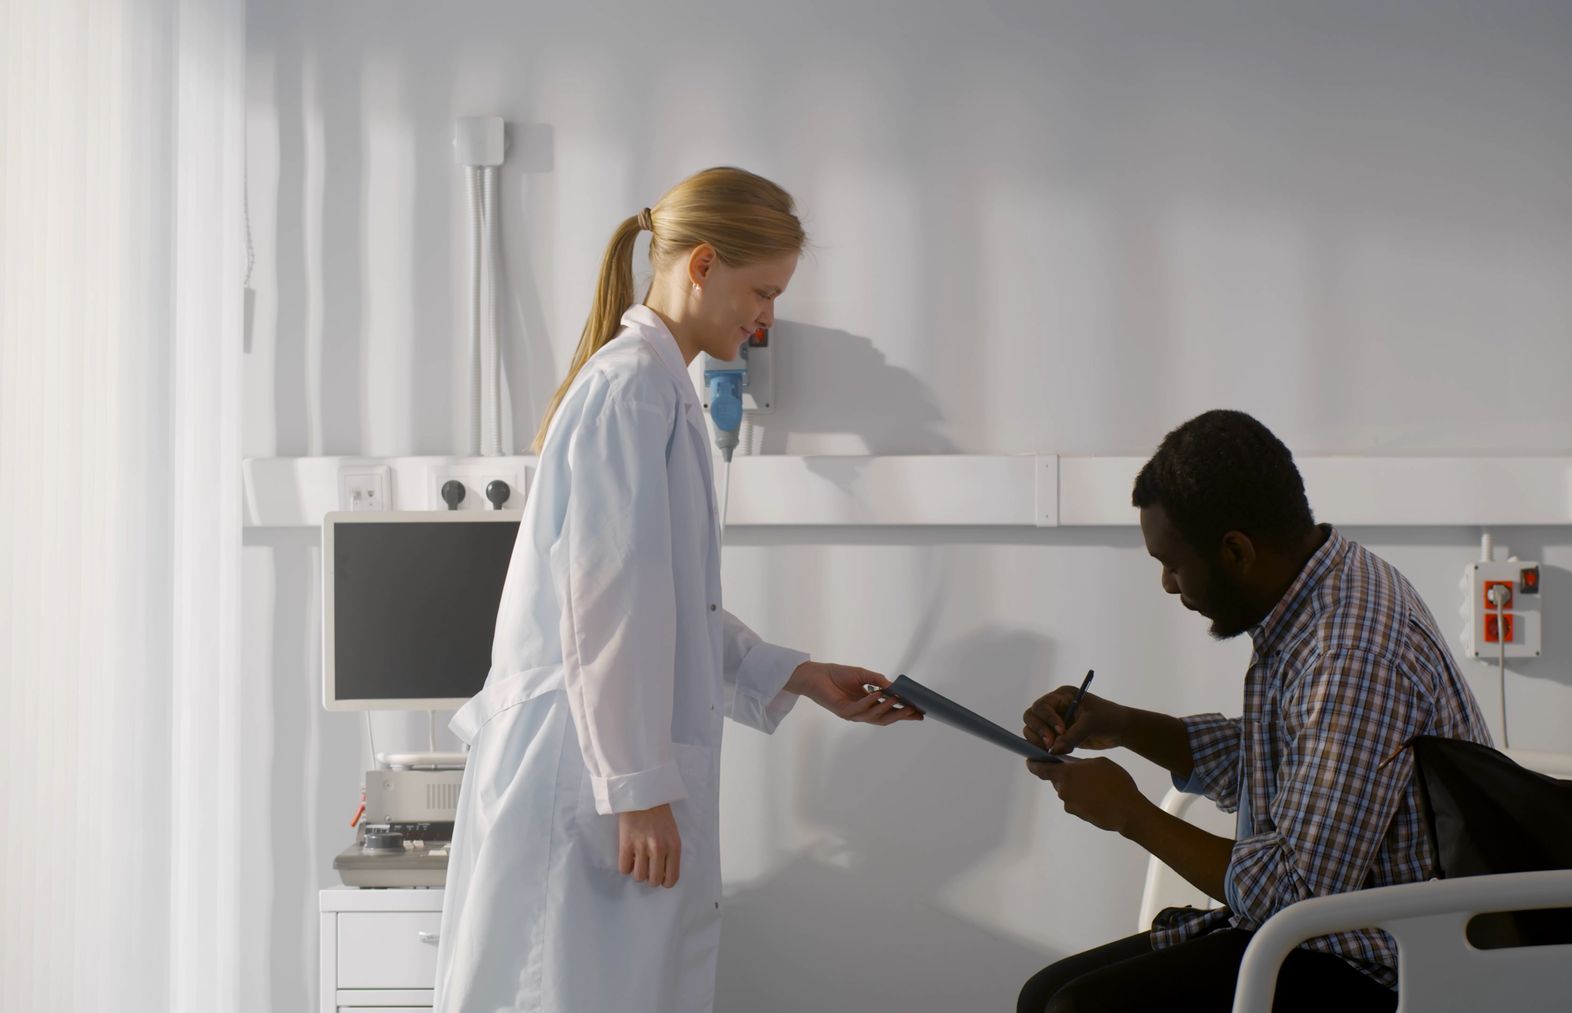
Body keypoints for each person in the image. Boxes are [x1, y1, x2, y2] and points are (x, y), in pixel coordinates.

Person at [434, 167, 920, 1013]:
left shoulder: (662, 389)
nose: (766, 318)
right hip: (581, 771)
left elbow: (670, 608)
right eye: (761, 291)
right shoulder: (630, 389)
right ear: (701, 264)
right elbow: (608, 603)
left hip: (603, 761)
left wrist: (799, 673)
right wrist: (635, 784)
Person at [1018, 410, 1492, 1013]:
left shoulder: (1350, 653)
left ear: (1237, 552)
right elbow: (1281, 761)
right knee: (1044, 996)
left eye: (1173, 563)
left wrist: (1129, 813)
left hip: (1387, 967)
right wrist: (1124, 726)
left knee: (1075, 1009)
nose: (1167, 584)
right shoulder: (1328, 583)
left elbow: (1292, 897)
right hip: (1328, 934)